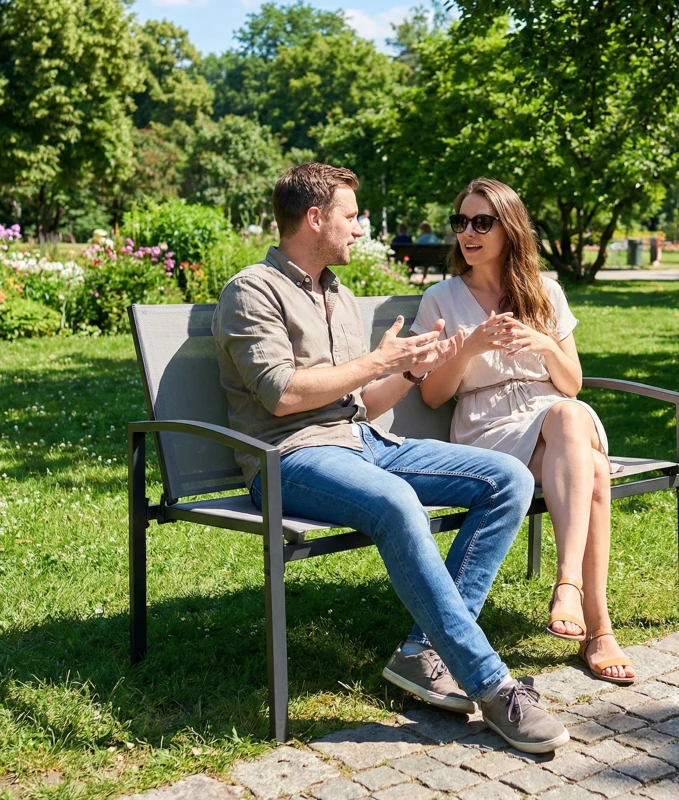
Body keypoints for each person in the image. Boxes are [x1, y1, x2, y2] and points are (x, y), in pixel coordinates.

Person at [211, 163, 569, 753]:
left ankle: (422, 652)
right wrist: (380, 361)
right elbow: (283, 396)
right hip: (291, 457)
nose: (359, 229)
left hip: (364, 444)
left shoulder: (339, 294)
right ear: (315, 218)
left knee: (505, 478)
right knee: (399, 503)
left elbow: (363, 402)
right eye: (351, 217)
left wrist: (409, 368)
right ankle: (491, 683)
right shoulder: (252, 290)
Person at [410, 177, 636, 685]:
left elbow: (571, 383)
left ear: (509, 230)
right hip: (487, 430)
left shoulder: (544, 291)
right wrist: (468, 349)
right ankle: (595, 625)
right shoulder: (441, 299)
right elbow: (430, 395)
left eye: (482, 222)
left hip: (552, 422)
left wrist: (543, 343)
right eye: (461, 222)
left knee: (570, 418)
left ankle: (572, 590)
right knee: (593, 468)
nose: (468, 232)